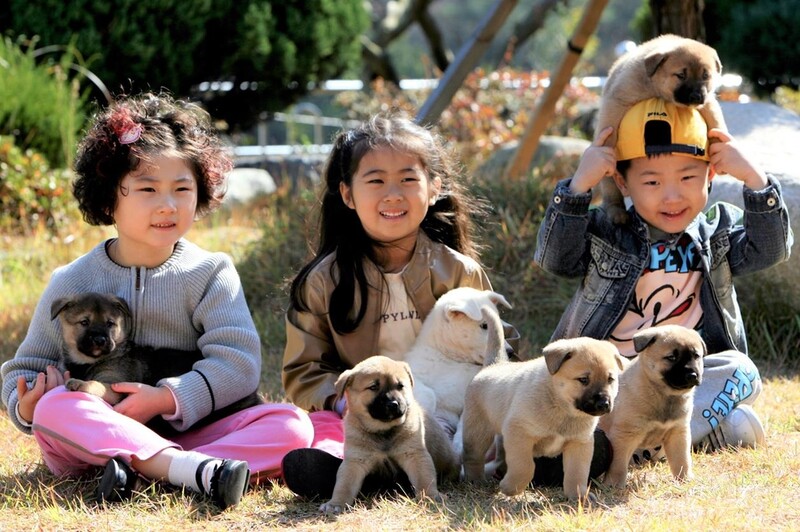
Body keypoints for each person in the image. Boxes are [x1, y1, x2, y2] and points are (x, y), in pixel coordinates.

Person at [0, 93, 325, 510]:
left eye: (181, 188)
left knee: (292, 425)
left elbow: (239, 364)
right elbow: (23, 370)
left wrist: (166, 399)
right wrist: (25, 404)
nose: (167, 204)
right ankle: (193, 472)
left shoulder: (210, 273)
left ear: (202, 192)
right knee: (55, 409)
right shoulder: (73, 280)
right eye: (148, 188)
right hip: (99, 435)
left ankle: (156, 470)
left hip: (193, 430)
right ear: (107, 198)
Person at [279, 114, 534, 498]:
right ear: (347, 194)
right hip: (366, 417)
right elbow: (304, 369)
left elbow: (497, 351)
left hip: (453, 416)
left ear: (434, 188)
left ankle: (538, 460)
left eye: (408, 179)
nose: (393, 194)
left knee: (521, 423)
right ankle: (347, 469)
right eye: (376, 180)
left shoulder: (458, 271)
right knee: (317, 431)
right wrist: (340, 400)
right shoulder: (324, 280)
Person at [535, 98, 792, 458]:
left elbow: (770, 251)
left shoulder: (715, 231)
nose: (672, 196)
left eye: (688, 177)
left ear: (711, 174)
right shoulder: (609, 230)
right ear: (623, 182)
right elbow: (556, 259)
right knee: (735, 414)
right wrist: (578, 188)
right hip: (613, 378)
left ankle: (640, 444)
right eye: (652, 181)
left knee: (742, 371)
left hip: (680, 374)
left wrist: (755, 179)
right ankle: (691, 433)